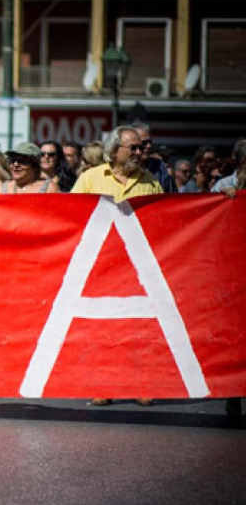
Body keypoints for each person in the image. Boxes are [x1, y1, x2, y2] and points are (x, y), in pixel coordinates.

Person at [72, 126, 164, 408]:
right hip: (99, 264)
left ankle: (139, 384)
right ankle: (103, 385)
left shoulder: (151, 182)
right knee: (103, 329)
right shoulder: (90, 178)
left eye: (140, 148)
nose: (139, 152)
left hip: (137, 266)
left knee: (137, 328)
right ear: (115, 150)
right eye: (132, 148)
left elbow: (163, 222)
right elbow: (71, 213)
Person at [129, 122, 174, 193]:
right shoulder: (123, 167)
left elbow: (171, 195)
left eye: (150, 142)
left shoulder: (159, 166)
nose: (149, 146)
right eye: (144, 143)